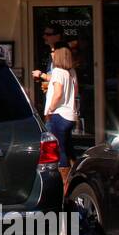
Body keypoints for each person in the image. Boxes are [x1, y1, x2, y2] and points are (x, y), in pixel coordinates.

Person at [43, 46, 78, 192]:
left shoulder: (57, 72)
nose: (51, 54)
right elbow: (76, 91)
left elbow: (57, 94)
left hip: (59, 114)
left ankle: (64, 184)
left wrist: (50, 108)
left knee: (59, 149)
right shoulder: (71, 72)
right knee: (68, 147)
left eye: (53, 52)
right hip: (70, 115)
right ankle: (75, 175)